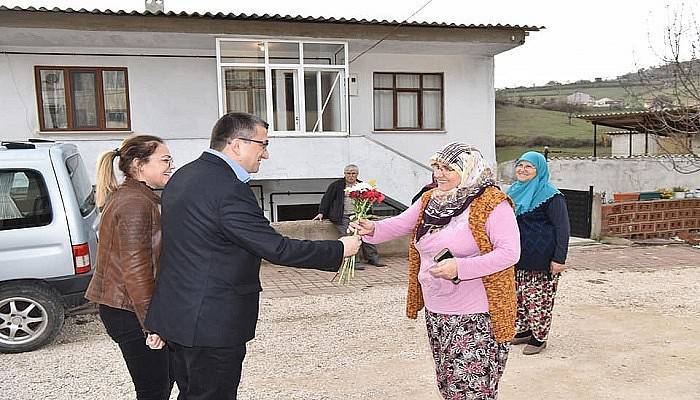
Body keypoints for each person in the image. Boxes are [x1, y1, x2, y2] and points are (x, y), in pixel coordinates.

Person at [144, 112, 361, 400]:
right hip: (212, 324)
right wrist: (339, 249)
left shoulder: (185, 175)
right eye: (263, 145)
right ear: (237, 145)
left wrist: (161, 319)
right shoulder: (227, 189)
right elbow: (275, 248)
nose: (266, 154)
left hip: (181, 319)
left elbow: (180, 253)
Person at [352, 143, 520, 399]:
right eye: (436, 168)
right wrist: (372, 229)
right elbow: (401, 224)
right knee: (449, 380)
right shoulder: (431, 199)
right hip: (438, 306)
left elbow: (509, 253)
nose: (439, 174)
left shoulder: (493, 203)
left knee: (471, 386)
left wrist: (460, 267)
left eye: (448, 168)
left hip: (476, 311)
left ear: (468, 170)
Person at [85, 135, 174, 400]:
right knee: (153, 391)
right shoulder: (136, 203)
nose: (170, 165)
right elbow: (136, 271)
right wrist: (152, 325)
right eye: (164, 160)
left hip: (129, 309)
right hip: (130, 312)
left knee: (164, 383)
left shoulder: (134, 196)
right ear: (139, 164)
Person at [507, 151, 570, 355]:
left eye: (529, 166)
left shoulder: (551, 195)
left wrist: (559, 259)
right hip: (517, 256)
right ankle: (524, 330)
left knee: (538, 299)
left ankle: (539, 337)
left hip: (542, 257)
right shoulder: (513, 191)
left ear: (539, 170)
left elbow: (563, 228)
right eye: (520, 165)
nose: (522, 170)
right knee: (519, 297)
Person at [313, 164, 386, 268]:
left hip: (359, 216)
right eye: (348, 173)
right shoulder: (336, 185)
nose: (351, 176)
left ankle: (373, 258)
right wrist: (321, 212)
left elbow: (368, 201)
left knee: (367, 235)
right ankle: (353, 262)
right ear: (344, 174)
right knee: (350, 236)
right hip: (342, 216)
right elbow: (327, 199)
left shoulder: (362, 186)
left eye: (353, 173)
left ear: (357, 174)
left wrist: (369, 215)